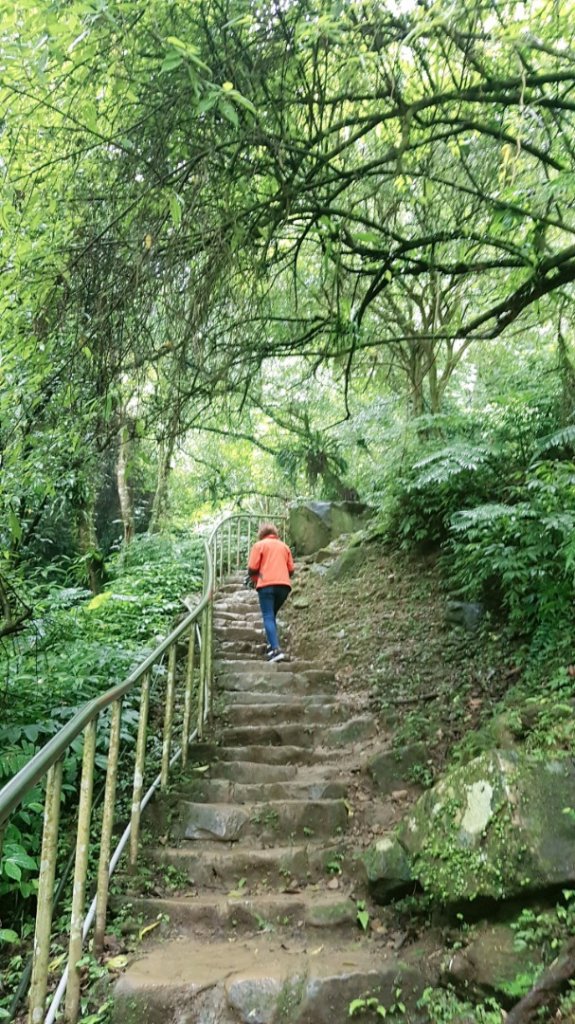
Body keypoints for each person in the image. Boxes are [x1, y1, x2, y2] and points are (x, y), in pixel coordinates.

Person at [247, 523, 294, 662]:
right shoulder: (284, 547)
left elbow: (252, 567)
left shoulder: (259, 545)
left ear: (261, 534)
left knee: (268, 616)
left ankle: (276, 650)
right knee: (271, 615)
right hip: (284, 586)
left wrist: (256, 577)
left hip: (266, 585)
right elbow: (291, 570)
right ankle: (271, 645)